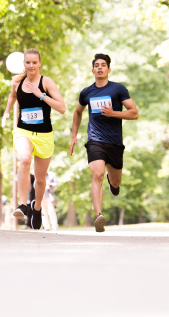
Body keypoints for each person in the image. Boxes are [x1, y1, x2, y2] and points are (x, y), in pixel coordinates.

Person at [70, 53, 139, 232]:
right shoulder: (86, 92)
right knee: (97, 174)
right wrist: (74, 135)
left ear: (109, 69)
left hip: (115, 142)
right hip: (95, 140)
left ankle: (112, 182)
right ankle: (99, 216)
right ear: (92, 70)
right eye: (97, 65)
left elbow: (134, 113)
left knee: (115, 182)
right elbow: (77, 112)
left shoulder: (118, 89)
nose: (100, 68)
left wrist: (114, 113)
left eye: (103, 65)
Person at [2, 48, 66, 230]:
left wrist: (41, 96)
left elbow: (62, 108)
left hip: (44, 135)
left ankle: (36, 208)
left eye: (34, 62)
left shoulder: (46, 82)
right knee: (24, 160)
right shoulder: (17, 82)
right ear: (24, 64)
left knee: (39, 179)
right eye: (27, 62)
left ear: (39, 64)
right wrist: (7, 112)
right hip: (23, 131)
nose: (31, 65)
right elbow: (12, 96)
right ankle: (23, 205)